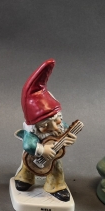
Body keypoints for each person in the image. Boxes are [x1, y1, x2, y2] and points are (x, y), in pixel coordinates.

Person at [14, 59, 76, 202]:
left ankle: (55, 186)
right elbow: (28, 145)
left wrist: (70, 137)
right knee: (27, 164)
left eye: (57, 120)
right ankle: (25, 178)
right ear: (35, 126)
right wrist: (42, 150)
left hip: (53, 158)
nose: (55, 127)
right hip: (34, 155)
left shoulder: (60, 127)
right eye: (45, 125)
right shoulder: (32, 132)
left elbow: (66, 130)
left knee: (56, 166)